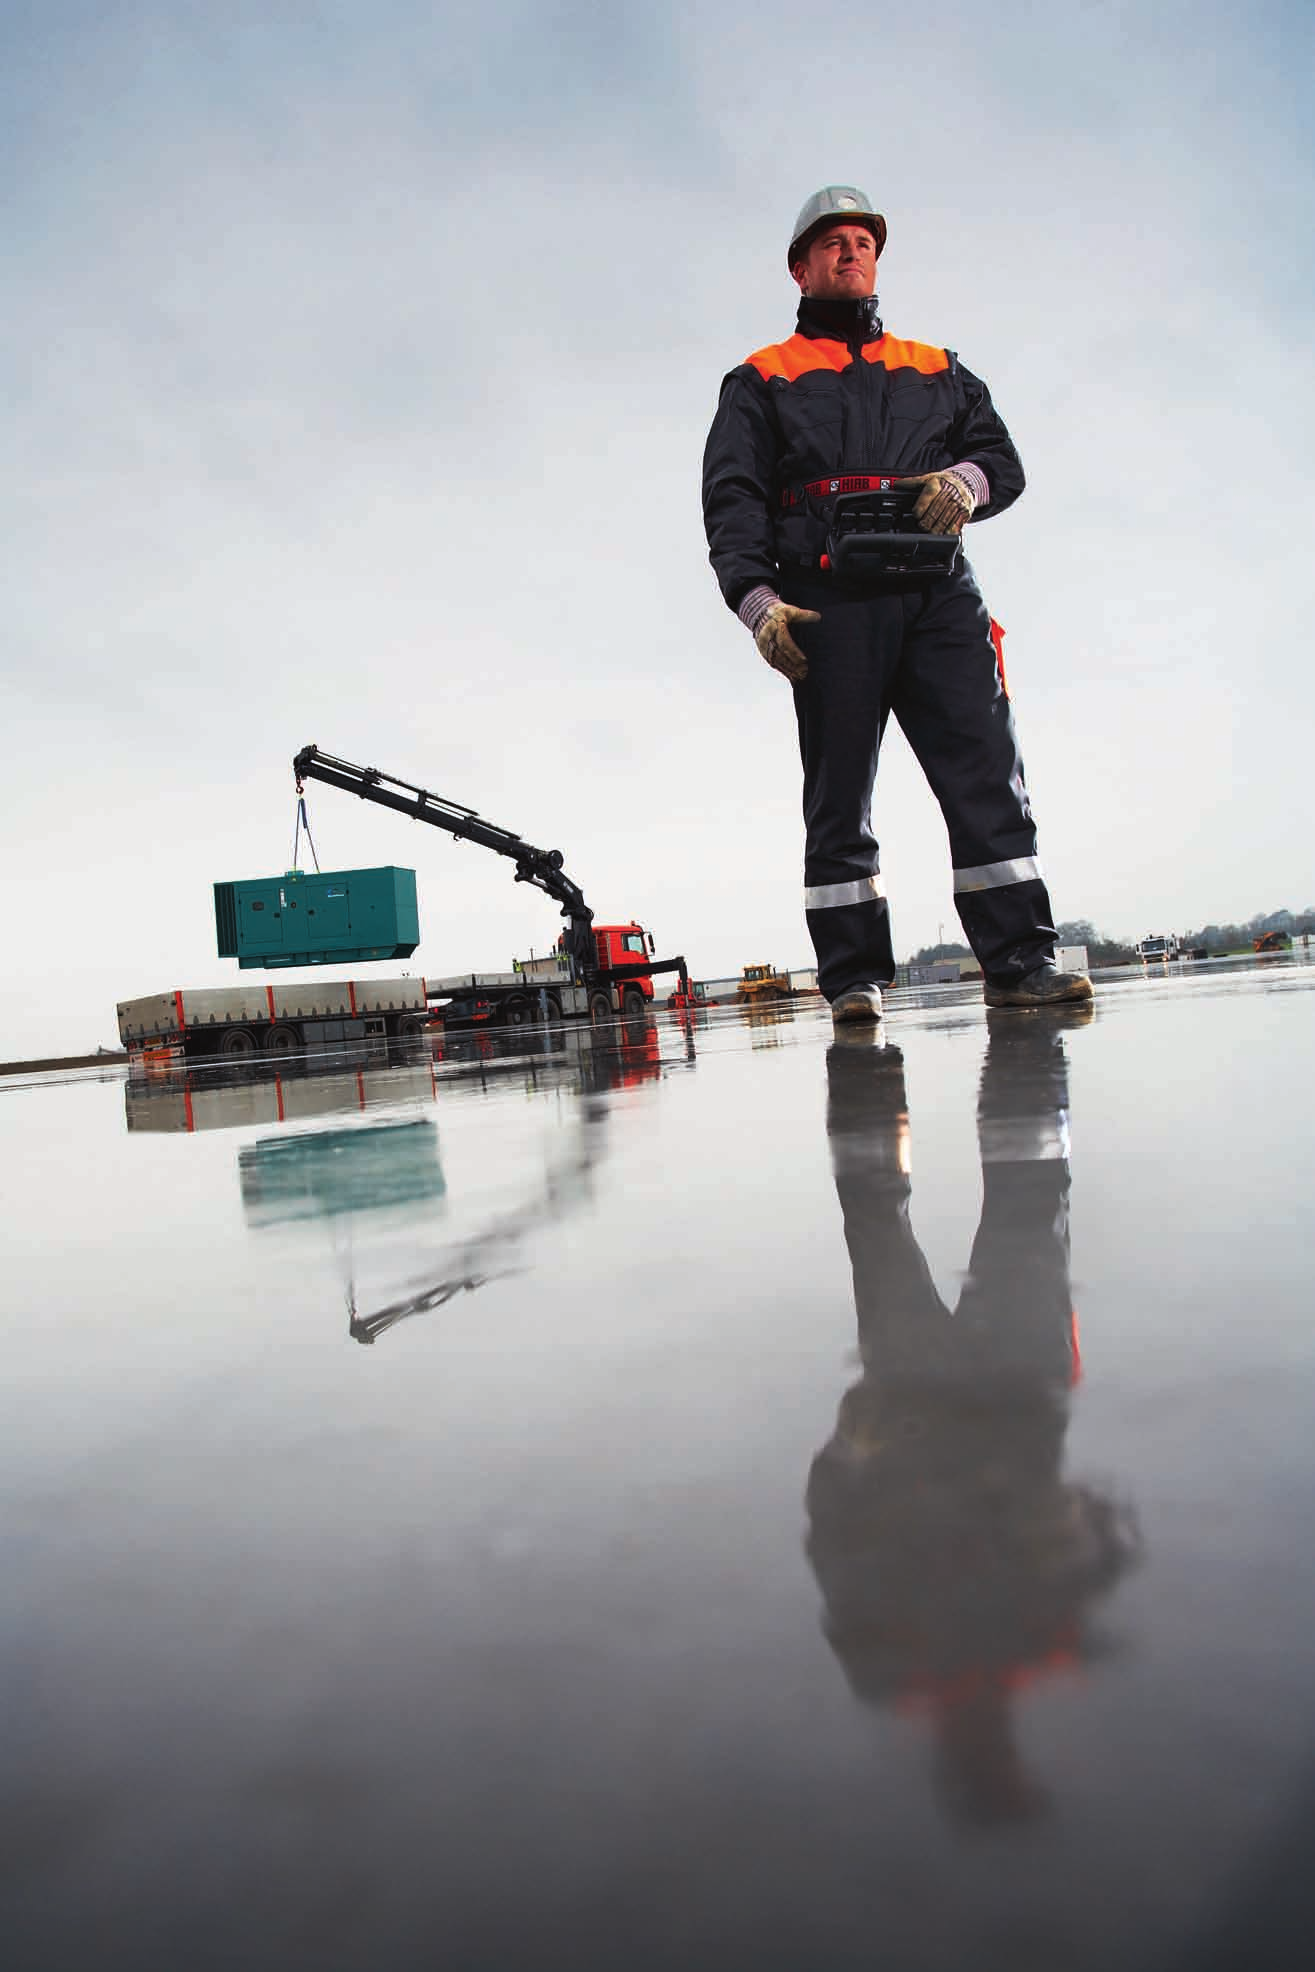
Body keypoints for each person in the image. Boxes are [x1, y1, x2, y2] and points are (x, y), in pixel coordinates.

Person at [702, 186, 1095, 1022]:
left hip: (937, 597)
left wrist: (965, 480)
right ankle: (852, 980)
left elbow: (1001, 460)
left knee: (987, 776)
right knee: (838, 794)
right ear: (798, 267)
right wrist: (758, 603)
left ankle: (1021, 961)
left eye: (863, 241)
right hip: (825, 603)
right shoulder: (760, 379)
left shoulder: (936, 367)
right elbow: (732, 501)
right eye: (833, 242)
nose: (851, 251)